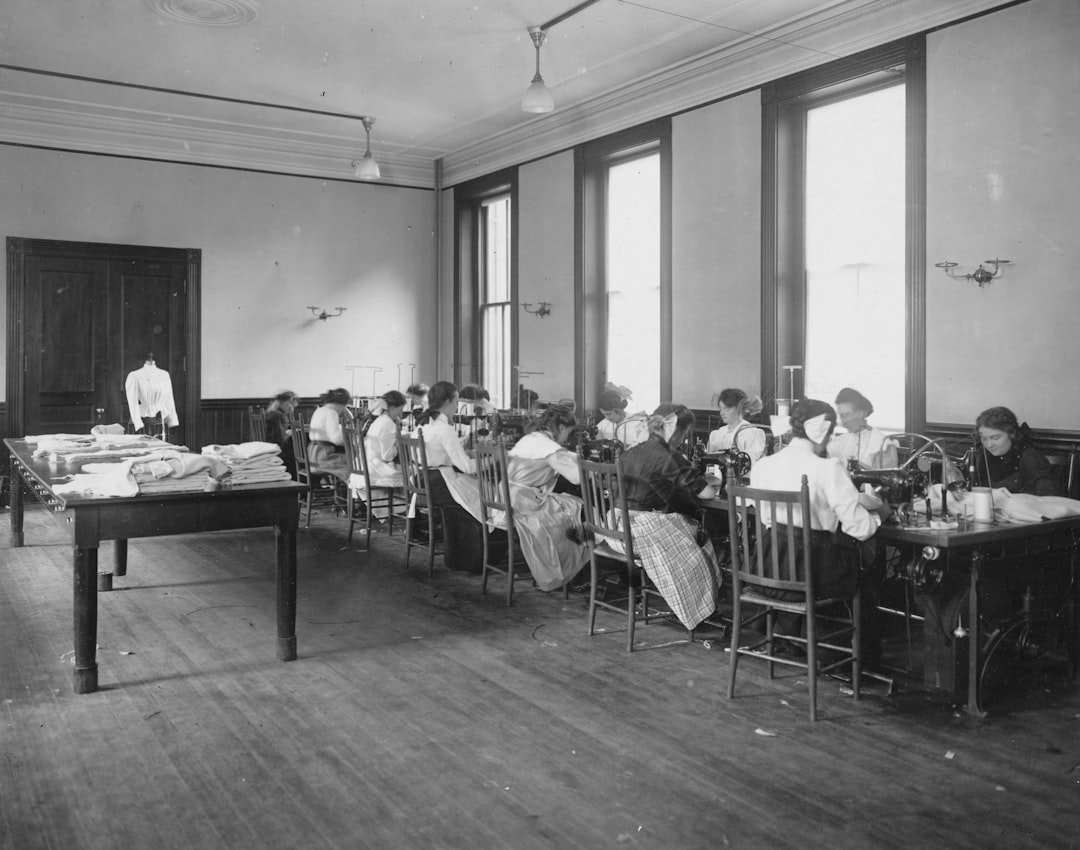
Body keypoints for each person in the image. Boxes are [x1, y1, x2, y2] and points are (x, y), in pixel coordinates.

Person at [749, 397, 891, 662]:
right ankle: (857, 659)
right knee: (870, 569)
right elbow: (860, 528)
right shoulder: (827, 468)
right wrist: (877, 516)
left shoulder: (763, 466)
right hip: (813, 573)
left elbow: (767, 519)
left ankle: (794, 636)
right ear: (823, 431)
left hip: (768, 568)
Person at [615, 403, 721, 631]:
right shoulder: (669, 456)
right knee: (701, 542)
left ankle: (693, 603)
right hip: (640, 532)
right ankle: (698, 611)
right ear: (677, 431)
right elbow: (708, 493)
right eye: (684, 433)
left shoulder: (630, 452)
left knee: (689, 530)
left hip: (616, 528)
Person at [971, 406, 1062, 496]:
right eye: (984, 438)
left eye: (995, 438)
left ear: (1012, 433)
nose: (989, 444)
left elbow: (1047, 499)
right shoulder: (983, 456)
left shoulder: (1030, 458)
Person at [415, 380, 477, 506]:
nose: (456, 406)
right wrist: (493, 459)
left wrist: (460, 444)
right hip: (438, 485)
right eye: (456, 402)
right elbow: (467, 467)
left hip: (420, 479)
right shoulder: (444, 428)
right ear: (448, 401)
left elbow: (436, 447)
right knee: (484, 491)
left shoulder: (423, 424)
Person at [826, 387, 898, 470]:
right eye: (841, 416)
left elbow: (886, 479)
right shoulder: (841, 441)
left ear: (861, 413)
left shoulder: (883, 444)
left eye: (846, 415)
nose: (843, 421)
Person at [706, 388, 767, 464]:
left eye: (726, 409)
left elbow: (751, 464)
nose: (722, 413)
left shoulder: (751, 433)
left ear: (739, 409)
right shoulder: (718, 434)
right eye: (721, 409)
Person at [308, 387, 352, 482]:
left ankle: (332, 486)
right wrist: (347, 435)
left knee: (349, 459)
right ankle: (351, 493)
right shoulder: (332, 412)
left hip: (312, 455)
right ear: (342, 404)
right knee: (355, 463)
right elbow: (336, 439)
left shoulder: (320, 410)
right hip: (323, 457)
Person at [264, 390, 298, 479]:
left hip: (266, 447)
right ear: (284, 403)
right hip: (278, 450)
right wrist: (290, 433)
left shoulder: (271, 412)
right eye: (290, 403)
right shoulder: (277, 415)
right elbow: (279, 439)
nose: (291, 407)